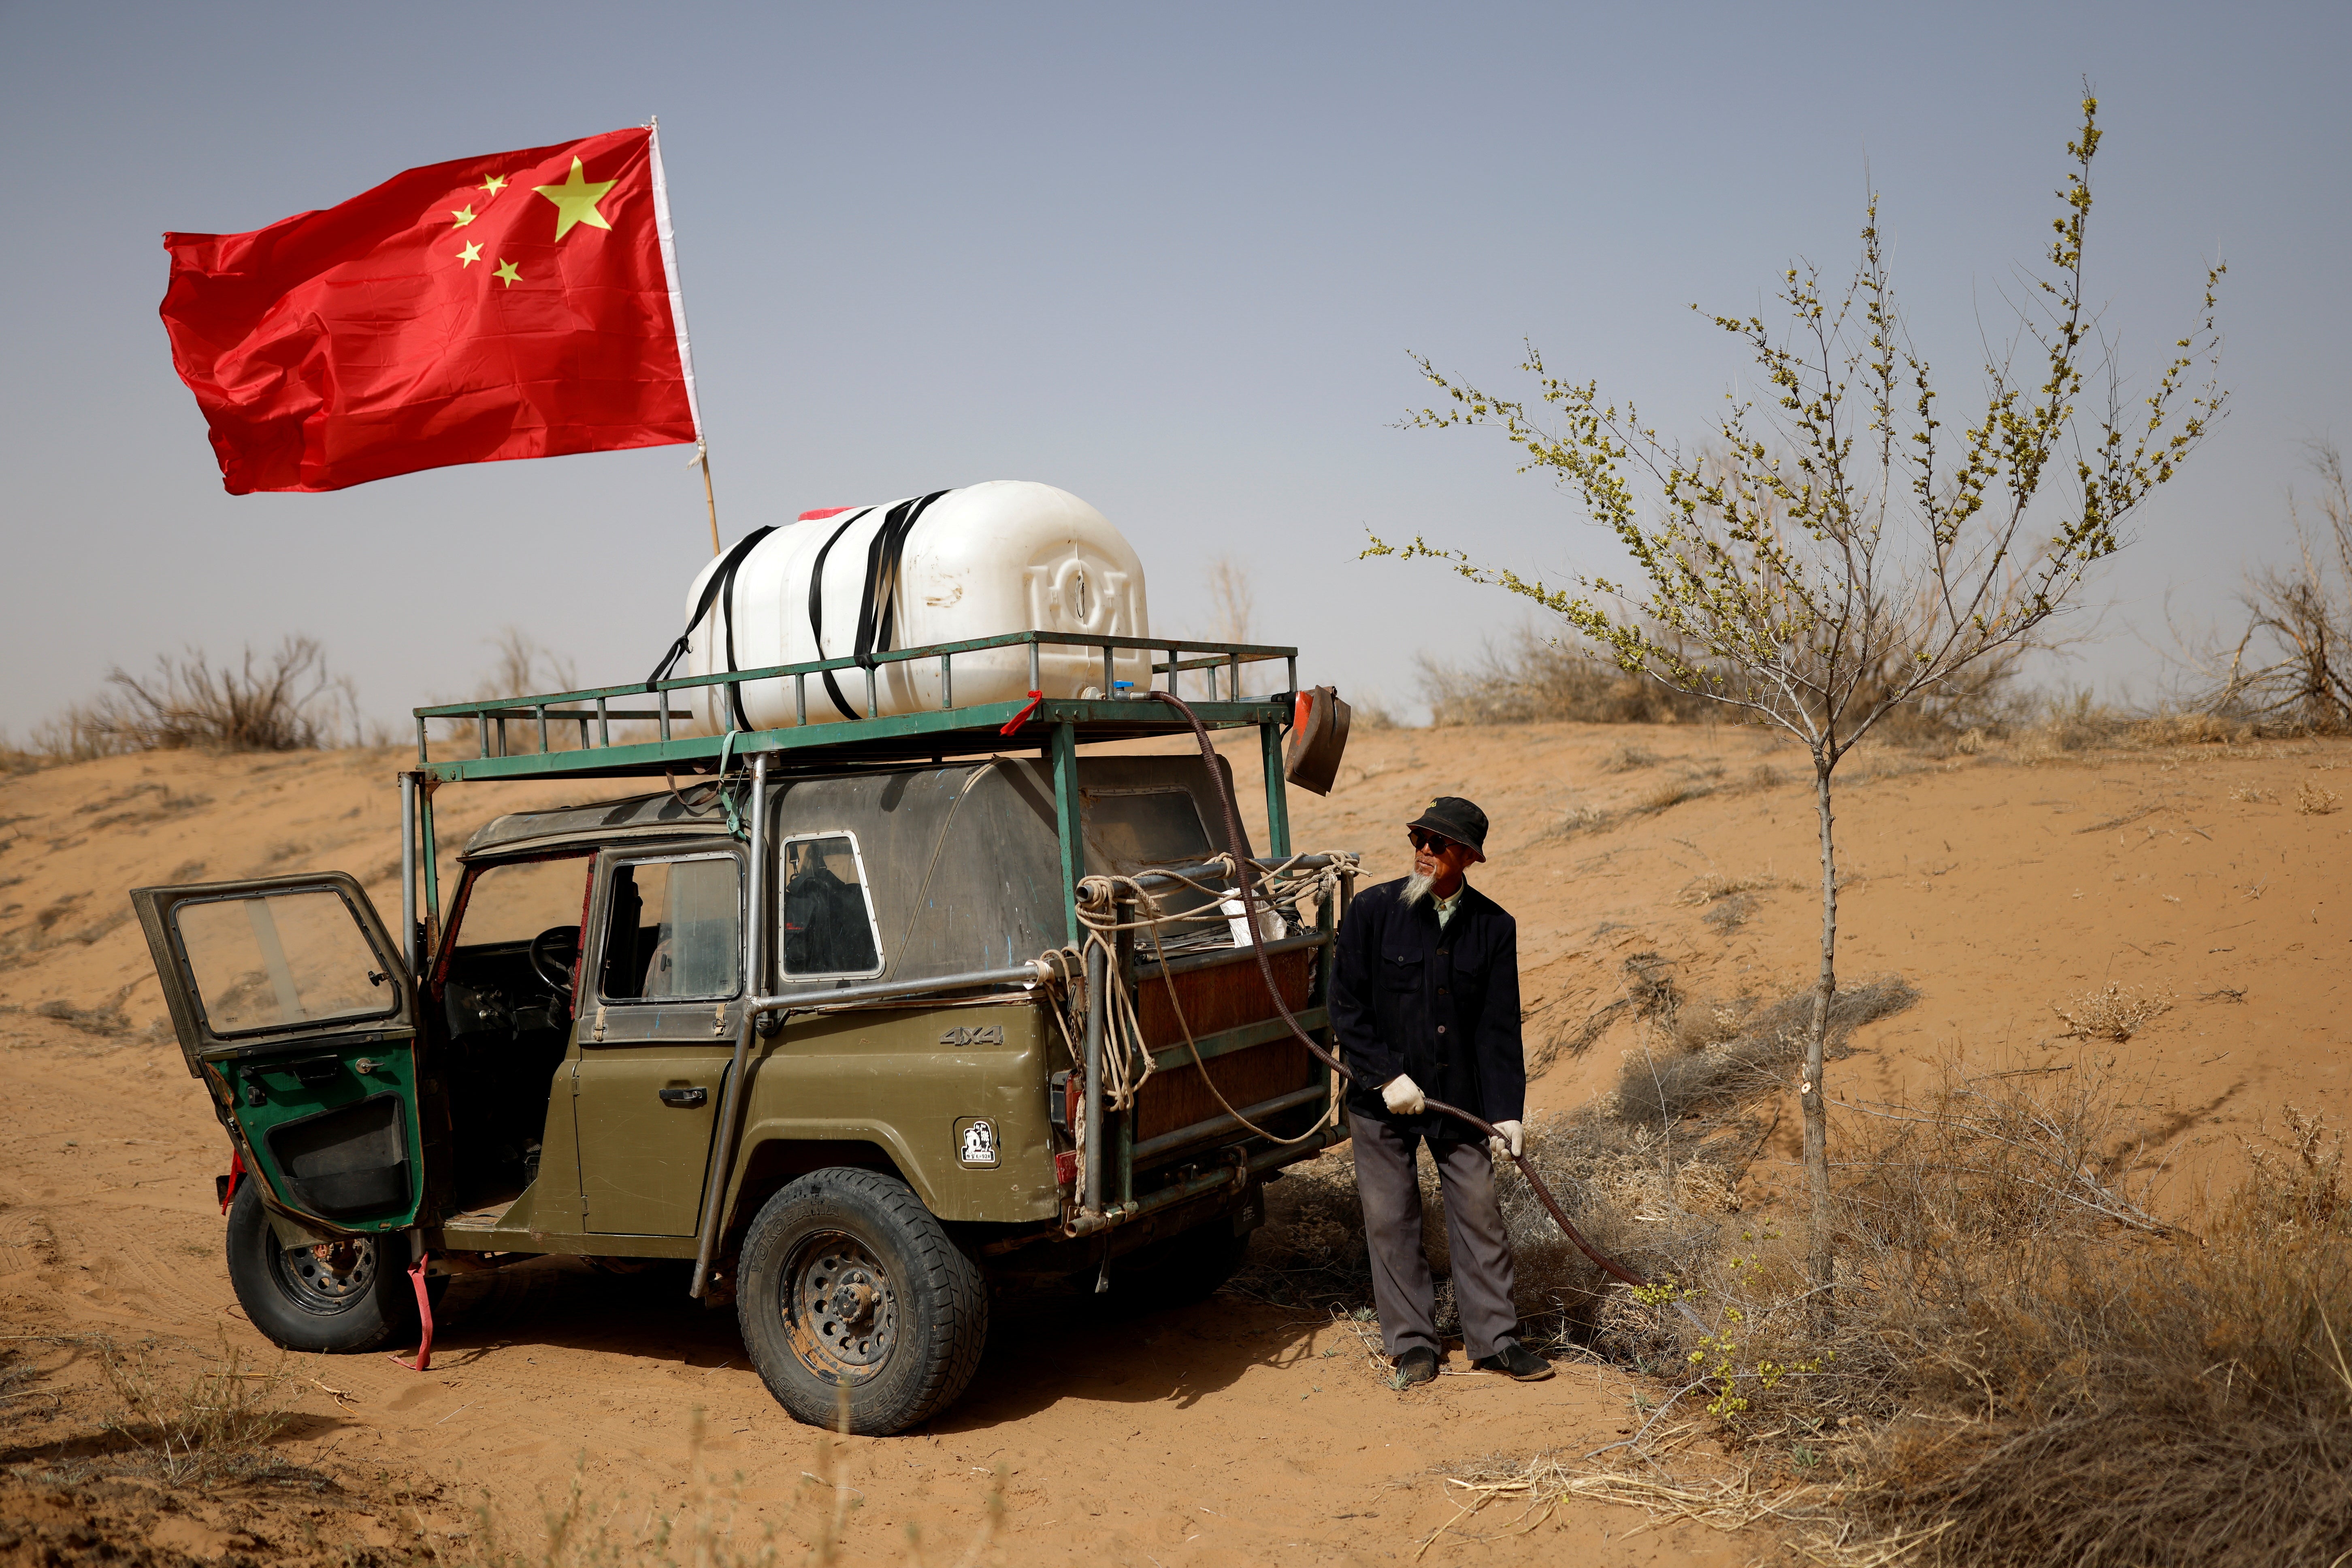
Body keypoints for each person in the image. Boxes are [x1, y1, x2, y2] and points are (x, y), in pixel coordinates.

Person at [1329, 796, 1551, 1386]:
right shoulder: (1372, 912)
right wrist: (1384, 1077)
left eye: (1438, 843)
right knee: (1391, 1218)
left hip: (1460, 1104)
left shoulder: (1494, 928)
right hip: (1381, 1102)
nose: (1424, 851)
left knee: (1480, 1214)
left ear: (1469, 857)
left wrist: (1507, 1115)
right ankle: (1413, 1347)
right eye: (1419, 839)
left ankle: (1496, 1340)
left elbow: (1499, 1030)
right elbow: (1345, 1009)